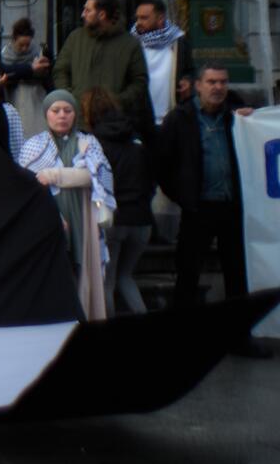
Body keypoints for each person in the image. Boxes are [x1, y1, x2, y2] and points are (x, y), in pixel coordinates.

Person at [151, 64, 256, 317]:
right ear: (198, 85)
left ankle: (239, 335)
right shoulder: (180, 118)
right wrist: (183, 196)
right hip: (198, 208)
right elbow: (162, 163)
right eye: (211, 82)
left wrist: (252, 122)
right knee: (188, 273)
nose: (218, 87)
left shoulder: (237, 117)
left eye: (223, 82)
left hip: (232, 207)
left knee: (237, 274)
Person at [18, 90, 115, 322]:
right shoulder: (33, 146)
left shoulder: (87, 142)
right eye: (56, 110)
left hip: (82, 218)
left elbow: (95, 176)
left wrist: (53, 174)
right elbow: (27, 183)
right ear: (47, 114)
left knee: (82, 271)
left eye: (67, 110)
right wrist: (73, 175)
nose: (62, 115)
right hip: (49, 219)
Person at [82, 88, 154, 317]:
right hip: (142, 219)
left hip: (114, 219)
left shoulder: (94, 145)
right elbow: (152, 181)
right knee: (126, 277)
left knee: (108, 281)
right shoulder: (138, 142)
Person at [53, 0, 149, 128]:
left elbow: (139, 82)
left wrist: (116, 101)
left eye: (87, 10)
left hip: (115, 125)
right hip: (78, 122)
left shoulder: (130, 44)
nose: (82, 14)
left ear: (102, 14)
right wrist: (71, 98)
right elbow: (60, 71)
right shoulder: (75, 38)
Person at [132, 0, 192, 126]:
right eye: (137, 18)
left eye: (144, 18)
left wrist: (188, 80)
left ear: (160, 19)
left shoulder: (178, 41)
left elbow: (191, 70)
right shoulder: (131, 43)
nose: (138, 22)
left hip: (171, 118)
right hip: (139, 119)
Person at [1, 17, 49, 131]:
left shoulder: (36, 51)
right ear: (14, 40)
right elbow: (6, 72)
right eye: (21, 45)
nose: (24, 48)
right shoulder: (6, 54)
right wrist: (28, 69)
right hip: (14, 97)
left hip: (35, 96)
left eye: (27, 45)